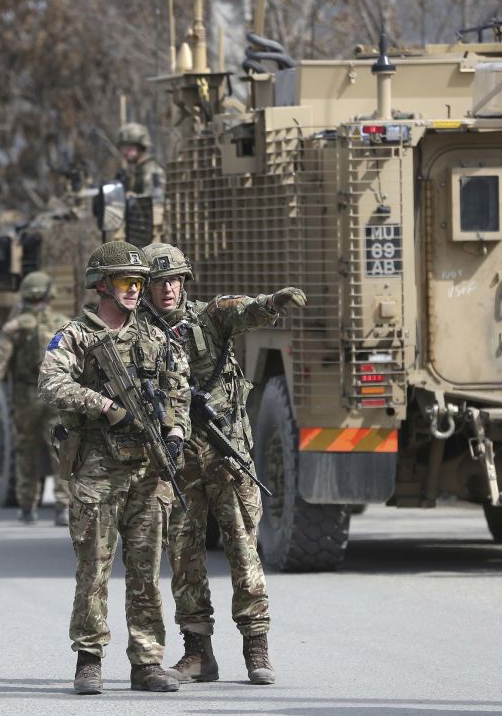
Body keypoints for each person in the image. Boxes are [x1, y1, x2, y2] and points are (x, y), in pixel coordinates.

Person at [140, 242, 306, 686]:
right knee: (183, 556)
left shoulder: (208, 316)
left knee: (243, 550)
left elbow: (242, 310)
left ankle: (256, 648)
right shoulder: (136, 333)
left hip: (225, 454)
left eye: (174, 280)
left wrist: (271, 304)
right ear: (146, 288)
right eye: (159, 283)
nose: (168, 289)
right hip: (175, 463)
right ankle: (197, 654)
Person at [38, 240, 188, 695]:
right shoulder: (77, 336)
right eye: (126, 281)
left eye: (139, 282)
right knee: (94, 569)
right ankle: (89, 659)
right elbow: (50, 383)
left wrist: (177, 432)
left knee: (146, 570)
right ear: (101, 284)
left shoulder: (156, 336)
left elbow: (178, 387)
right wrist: (105, 405)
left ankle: (147, 661)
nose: (135, 290)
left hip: (147, 470)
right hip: (98, 470)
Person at [0, 271, 71, 525]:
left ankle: (29, 506)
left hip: (28, 396)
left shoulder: (16, 326)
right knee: (60, 451)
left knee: (27, 451)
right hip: (54, 394)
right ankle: (61, 506)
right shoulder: (62, 323)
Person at [117, 123, 165, 202]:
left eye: (129, 147)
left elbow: (157, 201)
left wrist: (135, 199)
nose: (124, 152)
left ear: (141, 147)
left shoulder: (152, 171)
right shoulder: (133, 172)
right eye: (123, 147)